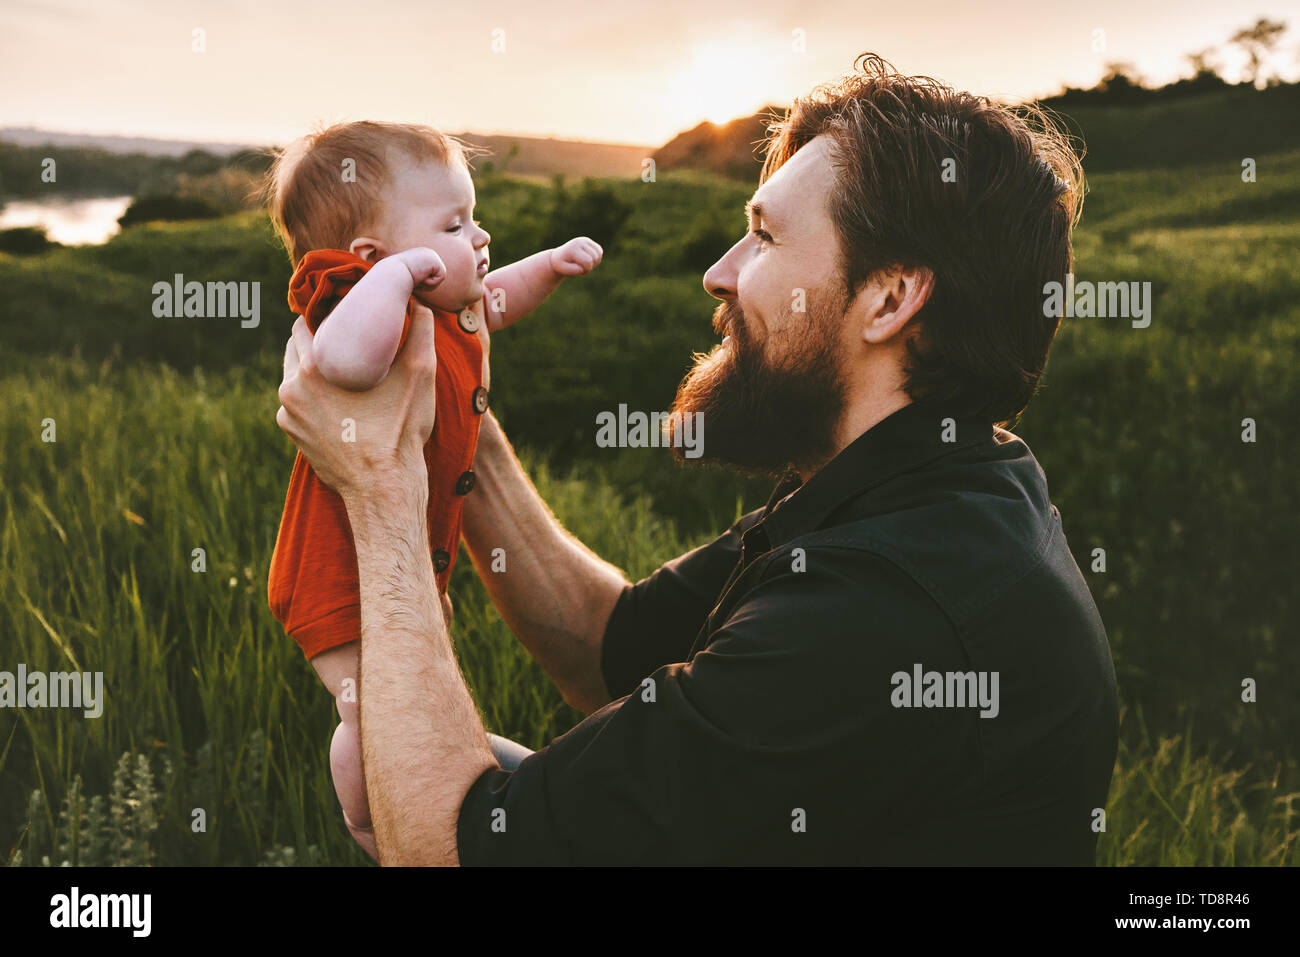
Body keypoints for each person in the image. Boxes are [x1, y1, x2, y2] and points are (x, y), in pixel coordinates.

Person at [274, 54, 1119, 865]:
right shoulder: (922, 489)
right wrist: (455, 412)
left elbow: (449, 854)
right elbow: (611, 648)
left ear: (890, 299)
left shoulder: (884, 611)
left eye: (763, 237)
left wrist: (382, 485)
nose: (719, 273)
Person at [262, 120, 600, 859]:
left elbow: (498, 301)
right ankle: (368, 817)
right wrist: (396, 276)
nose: (479, 237)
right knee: (370, 710)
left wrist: (549, 263)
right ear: (369, 255)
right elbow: (343, 364)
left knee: (400, 695)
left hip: (400, 557)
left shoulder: (445, 305)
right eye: (454, 224)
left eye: (473, 217)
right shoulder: (353, 297)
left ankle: (410, 788)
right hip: (337, 572)